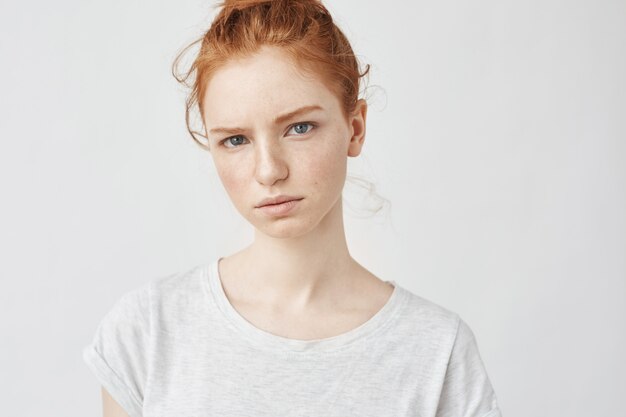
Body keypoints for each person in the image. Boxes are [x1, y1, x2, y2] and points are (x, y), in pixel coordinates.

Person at [82, 1, 503, 416]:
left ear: (354, 129)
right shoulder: (148, 332)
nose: (269, 171)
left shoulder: (436, 351)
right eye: (235, 140)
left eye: (299, 128)